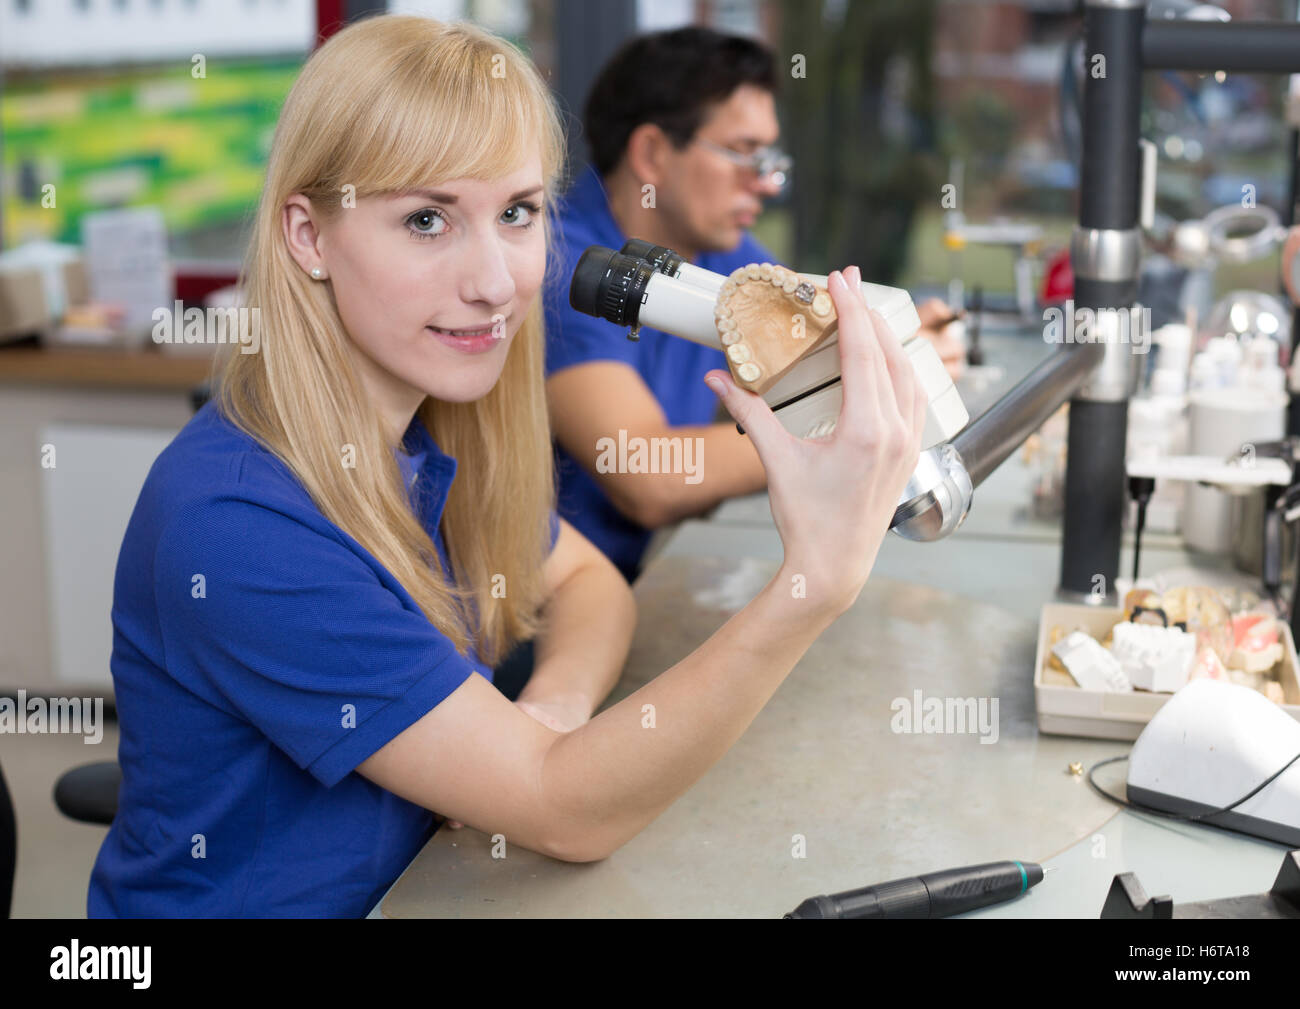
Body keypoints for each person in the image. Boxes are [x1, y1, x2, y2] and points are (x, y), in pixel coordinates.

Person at [88, 14, 925, 918]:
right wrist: (813, 584)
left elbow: (589, 584)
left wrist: (552, 711)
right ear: (308, 236)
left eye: (518, 212)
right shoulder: (238, 522)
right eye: (426, 219)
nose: (495, 281)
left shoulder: (428, 430)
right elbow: (564, 811)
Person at [544, 27, 963, 583]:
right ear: (651, 154)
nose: (767, 185)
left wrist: (891, 348)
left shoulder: (725, 253)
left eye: (770, 159)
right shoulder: (562, 269)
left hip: (664, 565)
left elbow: (801, 358)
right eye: (743, 154)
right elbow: (648, 474)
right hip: (563, 606)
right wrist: (843, 429)